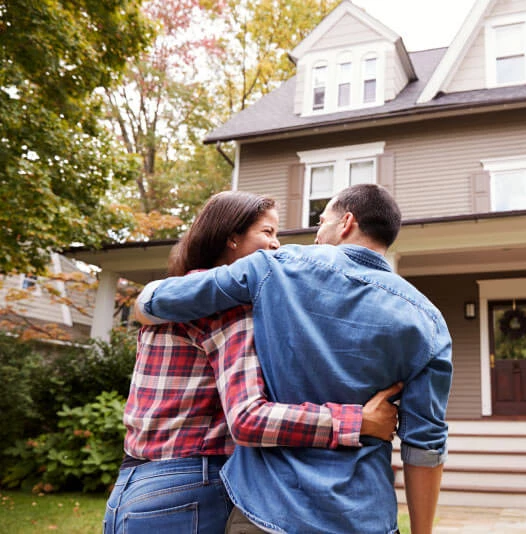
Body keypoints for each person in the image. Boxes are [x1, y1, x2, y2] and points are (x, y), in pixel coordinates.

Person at [136, 184, 452, 534]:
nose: (316, 235)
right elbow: (425, 445)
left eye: (321, 221)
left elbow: (160, 300)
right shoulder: (429, 321)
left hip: (268, 512)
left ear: (345, 222)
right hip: (363, 516)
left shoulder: (274, 268)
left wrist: (143, 303)